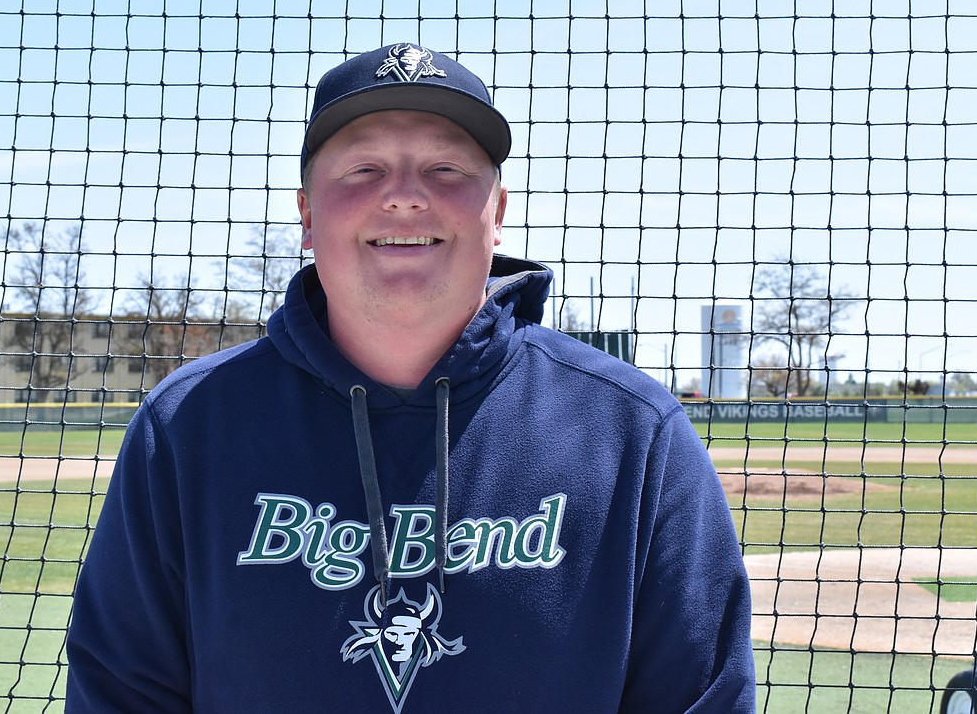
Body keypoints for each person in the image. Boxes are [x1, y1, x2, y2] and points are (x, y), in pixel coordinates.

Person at [65, 42, 755, 712]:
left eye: (447, 170)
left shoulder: (633, 431)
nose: (403, 197)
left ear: (498, 211)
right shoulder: (186, 428)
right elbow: (123, 694)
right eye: (363, 170)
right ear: (307, 214)